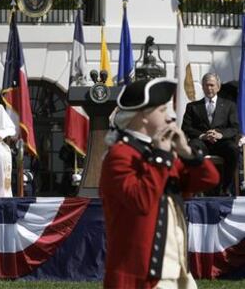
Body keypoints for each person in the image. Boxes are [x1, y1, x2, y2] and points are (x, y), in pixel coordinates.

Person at [99, 78, 220, 289]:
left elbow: (209, 179)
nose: (171, 116)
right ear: (144, 115)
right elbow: (141, 201)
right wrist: (161, 157)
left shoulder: (161, 153)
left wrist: (187, 152)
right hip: (142, 276)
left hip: (178, 272)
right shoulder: (119, 155)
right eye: (163, 110)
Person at [182, 72, 239, 195]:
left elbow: (234, 128)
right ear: (202, 87)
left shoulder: (230, 106)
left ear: (218, 87)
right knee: (192, 148)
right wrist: (203, 135)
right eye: (206, 85)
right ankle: (196, 187)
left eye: (212, 85)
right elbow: (186, 128)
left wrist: (220, 135)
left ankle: (226, 187)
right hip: (201, 142)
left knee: (233, 149)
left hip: (221, 143)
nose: (209, 88)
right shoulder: (192, 107)